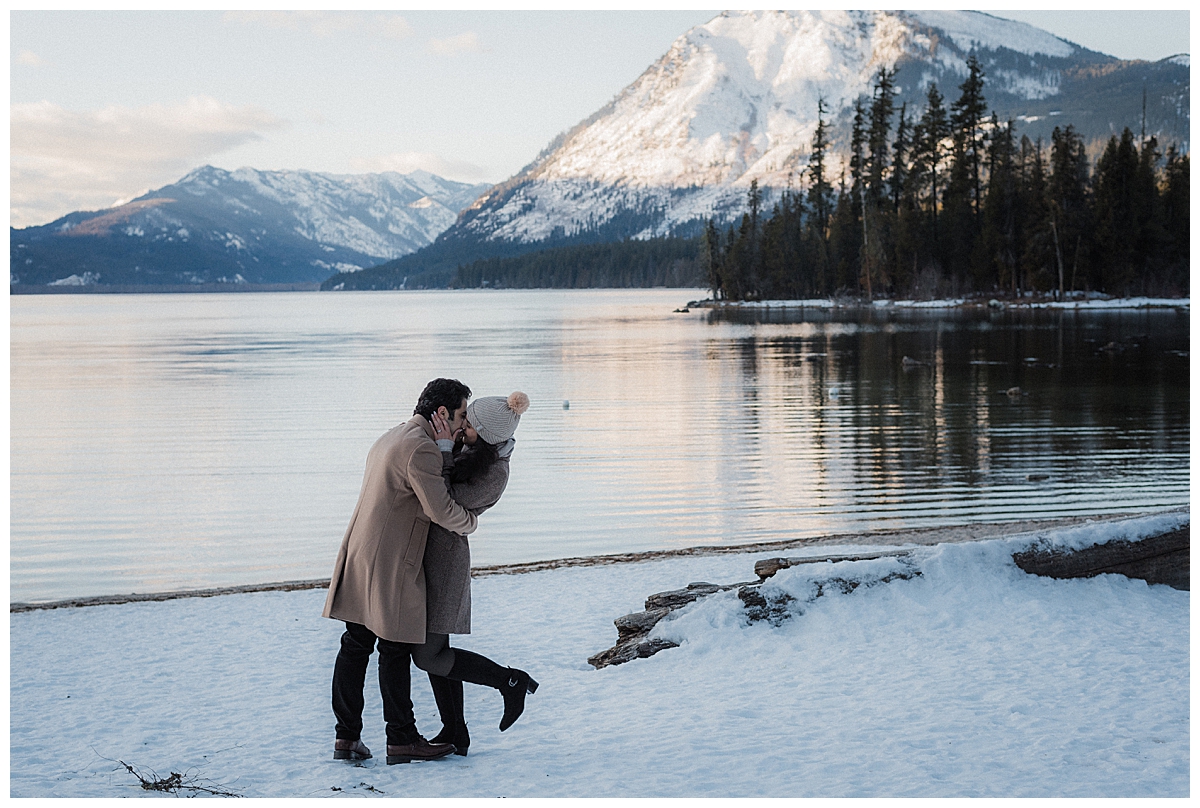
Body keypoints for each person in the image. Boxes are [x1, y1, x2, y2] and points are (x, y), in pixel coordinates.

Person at [322, 378, 477, 765]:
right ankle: (402, 739)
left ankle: (347, 738)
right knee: (393, 649)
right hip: (390, 562)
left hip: (361, 552)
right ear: (440, 413)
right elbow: (441, 510)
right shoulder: (421, 449)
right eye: (460, 415)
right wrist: (471, 521)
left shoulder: (391, 436)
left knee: (355, 645)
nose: (461, 426)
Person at [420, 392, 535, 756]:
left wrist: (441, 451)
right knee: (436, 650)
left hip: (446, 564)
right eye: (464, 418)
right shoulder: (472, 453)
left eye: (468, 424)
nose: (461, 426)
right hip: (430, 555)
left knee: (428, 655)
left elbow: (447, 498)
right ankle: (455, 732)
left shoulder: (495, 472)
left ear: (486, 435)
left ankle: (509, 681)